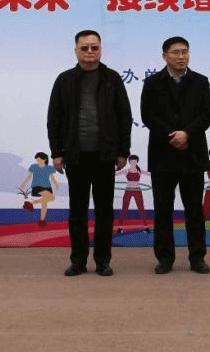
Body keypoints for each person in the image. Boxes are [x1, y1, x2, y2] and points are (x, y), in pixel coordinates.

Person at [48, 29, 132, 277]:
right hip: (75, 156)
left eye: (94, 47)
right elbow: (54, 119)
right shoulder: (64, 80)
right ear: (76, 51)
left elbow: (124, 116)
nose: (89, 52)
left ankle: (103, 261)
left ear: (100, 50)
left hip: (105, 156)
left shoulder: (112, 78)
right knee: (78, 211)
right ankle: (78, 261)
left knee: (105, 211)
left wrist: (123, 151)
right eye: (84, 48)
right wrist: (56, 152)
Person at [141, 36, 210, 275]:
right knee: (163, 210)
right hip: (163, 154)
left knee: (194, 211)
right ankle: (165, 258)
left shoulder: (200, 82)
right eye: (176, 52)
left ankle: (197, 258)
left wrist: (187, 134)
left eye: (185, 52)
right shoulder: (152, 83)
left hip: (192, 154)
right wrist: (172, 135)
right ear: (165, 56)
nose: (181, 57)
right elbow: (147, 116)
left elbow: (207, 114)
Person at [19, 152, 60, 227]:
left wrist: (56, 184)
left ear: (44, 159)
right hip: (37, 187)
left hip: (47, 187)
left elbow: (52, 177)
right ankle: (31, 205)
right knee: (52, 198)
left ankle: (42, 219)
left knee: (44, 201)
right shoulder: (34, 167)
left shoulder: (49, 168)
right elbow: (29, 176)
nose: (37, 161)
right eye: (36, 160)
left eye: (38, 160)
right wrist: (24, 183)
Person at [115, 154, 151, 233]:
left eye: (134, 161)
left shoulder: (139, 171)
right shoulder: (126, 171)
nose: (133, 162)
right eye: (131, 161)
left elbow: (149, 174)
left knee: (141, 208)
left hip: (137, 191)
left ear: (137, 162)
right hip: (128, 191)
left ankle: (145, 226)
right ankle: (120, 227)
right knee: (124, 208)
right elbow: (116, 174)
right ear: (129, 162)